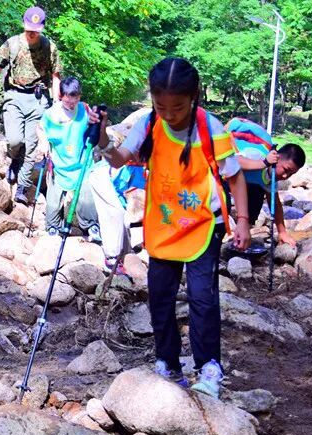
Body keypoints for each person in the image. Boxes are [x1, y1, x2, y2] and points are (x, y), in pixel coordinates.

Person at [97, 58, 251, 398]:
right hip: (164, 226)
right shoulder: (150, 122)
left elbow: (235, 176)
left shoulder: (210, 127)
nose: (168, 114)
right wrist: (103, 136)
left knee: (202, 298)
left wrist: (242, 221)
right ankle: (168, 363)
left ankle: (208, 368)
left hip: (203, 225)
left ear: (194, 96)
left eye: (177, 107)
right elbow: (120, 158)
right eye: (160, 105)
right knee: (160, 297)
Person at [0, 6, 62, 206]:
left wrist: (56, 104)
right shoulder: (12, 44)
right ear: (23, 25)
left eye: (36, 30)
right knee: (15, 140)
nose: (32, 33)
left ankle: (22, 188)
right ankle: (15, 159)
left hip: (38, 100)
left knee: (32, 146)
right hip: (15, 97)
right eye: (29, 29)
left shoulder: (50, 48)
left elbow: (56, 76)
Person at [36, 76, 100, 240]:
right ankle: (53, 226)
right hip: (59, 163)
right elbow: (40, 129)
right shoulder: (51, 115)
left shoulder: (84, 109)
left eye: (75, 100)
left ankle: (91, 226)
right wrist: (43, 143)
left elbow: (94, 127)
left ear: (79, 96)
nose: (71, 105)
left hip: (81, 162)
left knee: (86, 195)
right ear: (60, 97)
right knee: (53, 201)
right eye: (67, 101)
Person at [228, 117, 306, 247]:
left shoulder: (270, 178)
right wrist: (263, 163)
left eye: (291, 174)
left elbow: (275, 203)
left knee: (257, 195)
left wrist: (282, 233)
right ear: (277, 157)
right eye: (286, 170)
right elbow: (232, 162)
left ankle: (241, 236)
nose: (285, 176)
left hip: (244, 184)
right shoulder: (257, 154)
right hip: (223, 178)